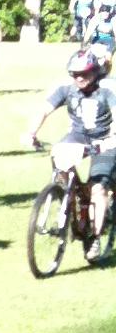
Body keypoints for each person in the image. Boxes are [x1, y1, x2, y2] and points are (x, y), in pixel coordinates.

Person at [26, 49, 116, 252]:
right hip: (78, 135)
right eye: (75, 74)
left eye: (85, 73)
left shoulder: (108, 87)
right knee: (59, 158)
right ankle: (70, 197)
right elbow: (44, 109)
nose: (80, 78)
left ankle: (94, 236)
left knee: (98, 188)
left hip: (106, 139)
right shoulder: (66, 87)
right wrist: (31, 133)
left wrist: (109, 141)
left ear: (95, 72)